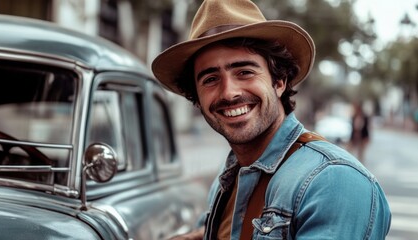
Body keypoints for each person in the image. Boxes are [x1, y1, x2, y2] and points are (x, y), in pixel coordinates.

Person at [152, 0, 391, 239]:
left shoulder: (334, 182)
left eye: (244, 72)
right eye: (210, 79)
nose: (228, 92)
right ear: (197, 97)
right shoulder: (227, 180)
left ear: (279, 81)